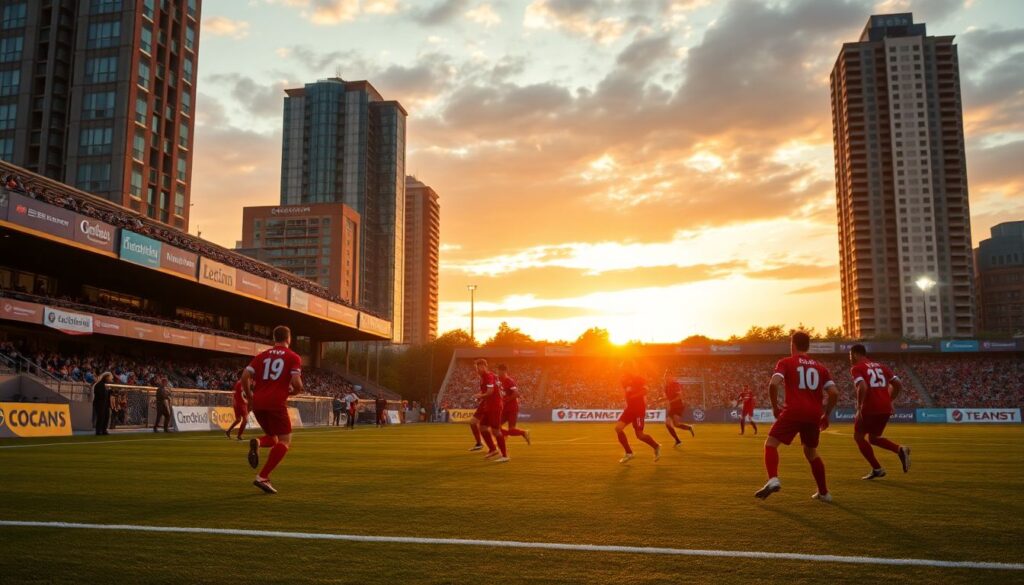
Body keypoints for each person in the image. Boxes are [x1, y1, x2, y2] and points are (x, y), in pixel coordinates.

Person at [755, 332, 838, 502]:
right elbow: (834, 393)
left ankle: (773, 479)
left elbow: (773, 384)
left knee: (771, 444)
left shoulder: (786, 362)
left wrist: (774, 406)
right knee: (811, 452)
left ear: (792, 344)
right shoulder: (821, 367)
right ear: (808, 346)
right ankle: (824, 493)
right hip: (814, 414)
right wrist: (826, 414)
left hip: (794, 410)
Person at [241, 325, 304, 495]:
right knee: (284, 441)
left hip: (258, 403)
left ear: (274, 338)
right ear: (288, 339)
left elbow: (244, 376)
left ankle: (258, 442)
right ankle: (263, 476)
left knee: (273, 438)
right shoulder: (293, 357)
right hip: (276, 403)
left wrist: (250, 396)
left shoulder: (262, 356)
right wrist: (295, 391)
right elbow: (297, 383)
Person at [849, 344, 911, 479]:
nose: (850, 358)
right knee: (874, 438)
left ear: (855, 354)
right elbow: (898, 384)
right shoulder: (882, 367)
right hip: (884, 408)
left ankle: (877, 469)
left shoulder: (856, 368)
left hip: (870, 408)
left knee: (859, 437)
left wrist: (859, 407)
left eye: (850, 355)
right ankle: (899, 449)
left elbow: (863, 386)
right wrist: (890, 400)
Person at [614, 361, 660, 464]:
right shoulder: (624, 379)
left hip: (639, 410)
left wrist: (634, 396)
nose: (622, 370)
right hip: (630, 409)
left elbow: (645, 391)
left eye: (624, 368)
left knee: (640, 435)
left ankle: (656, 446)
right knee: (618, 428)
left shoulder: (639, 379)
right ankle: (629, 453)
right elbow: (627, 392)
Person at [474, 359, 509, 462]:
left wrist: (480, 396)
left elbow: (490, 392)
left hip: (495, 406)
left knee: (495, 430)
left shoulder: (488, 376)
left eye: (479, 367)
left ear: (484, 366)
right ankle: (493, 449)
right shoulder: (487, 376)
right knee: (482, 427)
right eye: (476, 367)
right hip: (489, 406)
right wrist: (481, 395)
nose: (477, 369)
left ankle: (505, 456)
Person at [497, 364, 530, 445]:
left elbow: (516, 394)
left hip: (512, 408)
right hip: (504, 409)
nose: (497, 372)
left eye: (498, 371)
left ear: (504, 371)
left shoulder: (509, 381)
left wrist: (506, 400)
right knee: (495, 426)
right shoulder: (499, 381)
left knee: (511, 430)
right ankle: (505, 434)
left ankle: (524, 433)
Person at [662, 374, 694, 447]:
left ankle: (679, 440)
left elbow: (680, 396)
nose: (666, 378)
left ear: (672, 377)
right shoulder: (666, 387)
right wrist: (660, 400)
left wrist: (670, 402)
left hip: (678, 406)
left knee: (675, 424)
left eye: (668, 376)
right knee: (669, 424)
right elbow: (667, 398)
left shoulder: (676, 385)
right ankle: (679, 440)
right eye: (665, 376)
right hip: (672, 407)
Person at [92, 372, 113, 436]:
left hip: (105, 404)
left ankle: (104, 430)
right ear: (106, 377)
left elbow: (107, 394)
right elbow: (100, 394)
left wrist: (110, 391)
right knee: (100, 417)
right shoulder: (99, 385)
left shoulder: (106, 385)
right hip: (99, 404)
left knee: (106, 417)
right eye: (110, 378)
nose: (110, 379)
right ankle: (98, 431)